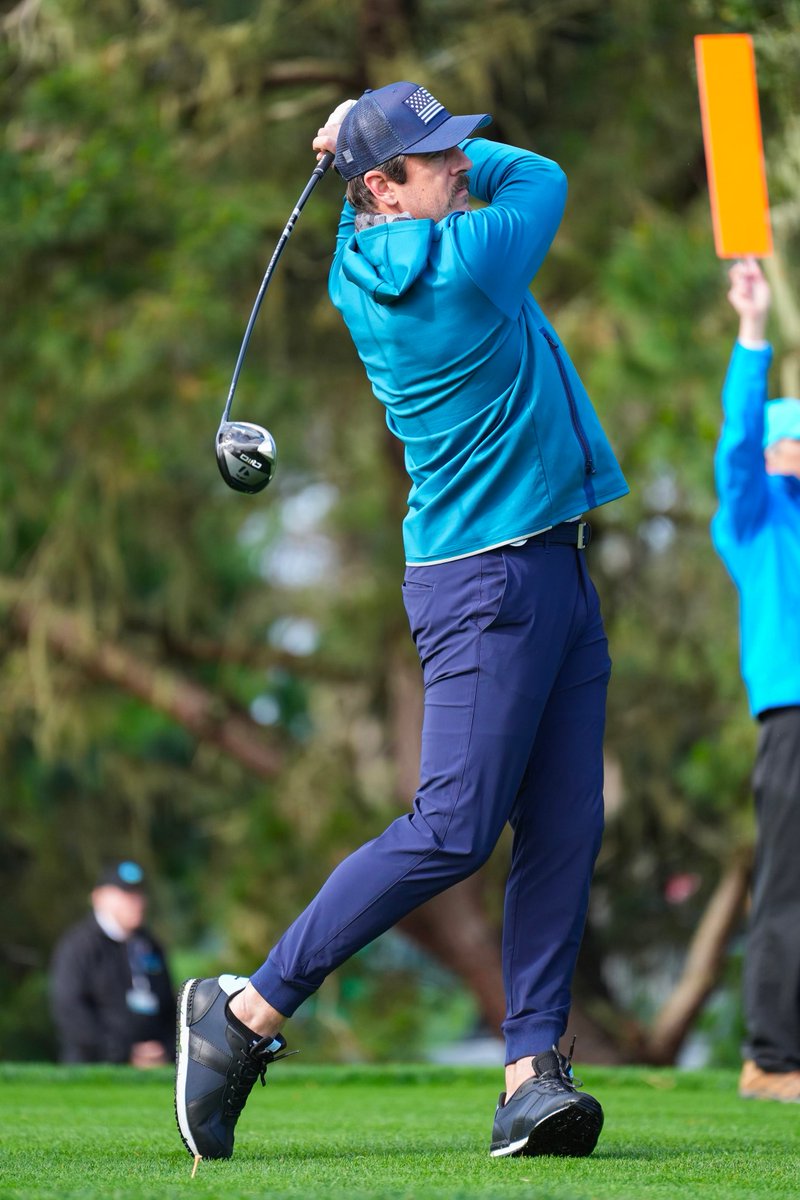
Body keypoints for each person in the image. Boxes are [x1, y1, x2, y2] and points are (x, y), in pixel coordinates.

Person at [174, 81, 629, 1162]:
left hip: (550, 570)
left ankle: (529, 1076)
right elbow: (543, 174)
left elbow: (411, 195)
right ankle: (241, 1017)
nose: (463, 168)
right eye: (432, 159)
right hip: (485, 585)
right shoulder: (472, 262)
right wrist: (360, 139)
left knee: (564, 825)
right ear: (383, 185)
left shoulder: (360, 251)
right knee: (453, 828)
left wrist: (360, 144)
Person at [711, 257, 800, 1103]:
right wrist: (754, 333)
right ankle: (772, 1061)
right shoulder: (754, 521)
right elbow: (738, 445)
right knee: (790, 889)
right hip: (794, 714)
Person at [51, 860, 174, 1067]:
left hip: (153, 1069)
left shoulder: (151, 945)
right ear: (99, 898)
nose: (137, 902)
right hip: (96, 1068)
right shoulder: (80, 946)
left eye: (139, 894)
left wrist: (167, 1049)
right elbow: (70, 1010)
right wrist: (124, 1052)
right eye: (126, 894)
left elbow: (169, 1007)